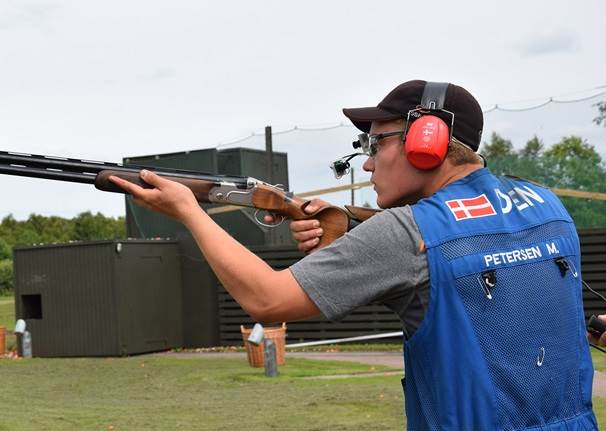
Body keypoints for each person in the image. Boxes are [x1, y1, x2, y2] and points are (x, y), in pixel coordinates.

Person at [109, 80, 597, 430]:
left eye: (376, 141)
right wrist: (343, 228)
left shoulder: (406, 233)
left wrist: (189, 210)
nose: (366, 159)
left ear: (427, 142)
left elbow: (267, 299)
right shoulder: (547, 207)